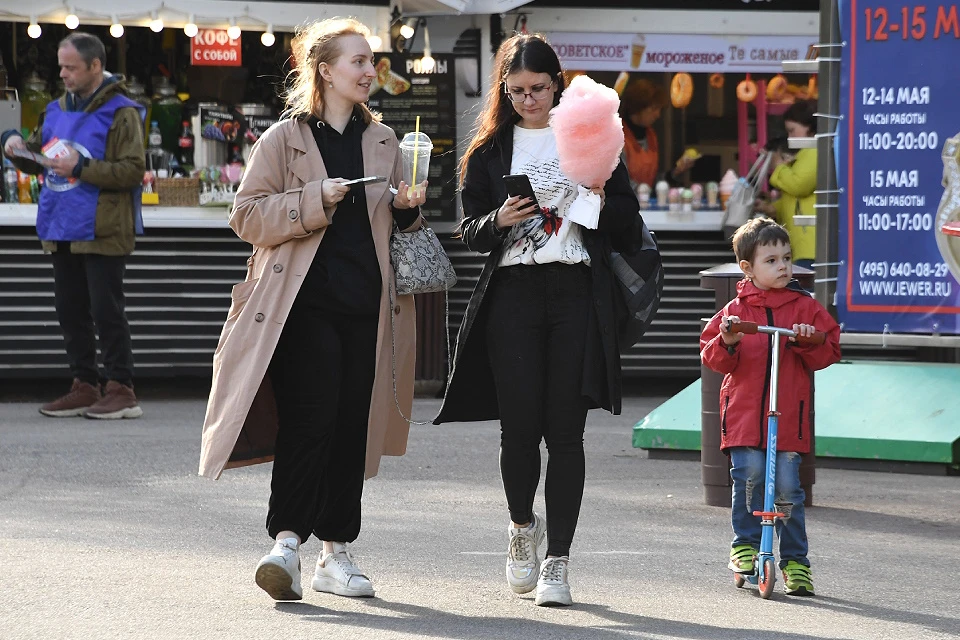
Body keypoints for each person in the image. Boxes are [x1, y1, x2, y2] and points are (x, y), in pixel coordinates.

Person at [197, 18, 427, 602]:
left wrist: (406, 209)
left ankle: (336, 552)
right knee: (311, 418)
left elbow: (399, 231)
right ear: (324, 70)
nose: (369, 71)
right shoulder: (284, 139)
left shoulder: (384, 142)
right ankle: (286, 544)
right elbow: (246, 216)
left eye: (371, 61)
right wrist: (312, 200)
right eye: (358, 61)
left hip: (369, 309)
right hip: (299, 307)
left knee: (353, 424)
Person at [434, 34, 641, 607]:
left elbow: (627, 219)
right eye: (518, 90)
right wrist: (498, 219)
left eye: (540, 89)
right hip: (514, 296)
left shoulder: (590, 132)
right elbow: (469, 233)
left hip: (575, 290)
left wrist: (596, 195)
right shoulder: (490, 151)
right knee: (520, 429)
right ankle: (523, 529)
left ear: (558, 84)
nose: (530, 100)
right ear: (504, 90)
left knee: (565, 432)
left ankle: (559, 560)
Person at [1, 32, 145, 419]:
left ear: (95, 66)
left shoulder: (121, 111)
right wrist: (15, 148)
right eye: (61, 66)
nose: (62, 74)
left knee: (106, 311)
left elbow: (133, 171)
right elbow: (40, 158)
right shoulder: (53, 110)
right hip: (62, 223)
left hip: (103, 228)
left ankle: (121, 389)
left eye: (70, 67)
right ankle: (84, 384)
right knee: (70, 310)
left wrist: (80, 167)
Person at [700, 217, 840, 597]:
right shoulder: (735, 308)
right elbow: (714, 357)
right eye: (772, 260)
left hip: (788, 417)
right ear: (747, 268)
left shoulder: (804, 307)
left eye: (787, 258)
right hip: (746, 416)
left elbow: (829, 349)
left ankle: (796, 561)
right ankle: (744, 544)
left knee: (789, 490)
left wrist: (810, 341)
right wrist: (728, 338)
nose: (782, 267)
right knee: (750, 474)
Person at [767, 99, 818, 269]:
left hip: (810, 247)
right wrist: (773, 207)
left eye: (792, 130)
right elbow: (797, 199)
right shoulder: (806, 154)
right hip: (803, 245)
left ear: (809, 127)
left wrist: (779, 168)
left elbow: (799, 185)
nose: (790, 137)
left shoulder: (815, 151)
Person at [619, 78, 696, 190]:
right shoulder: (618, 137)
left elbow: (653, 181)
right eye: (654, 109)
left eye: (659, 110)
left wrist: (676, 172)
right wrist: (643, 192)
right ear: (637, 108)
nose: (657, 115)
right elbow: (620, 182)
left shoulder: (651, 136)